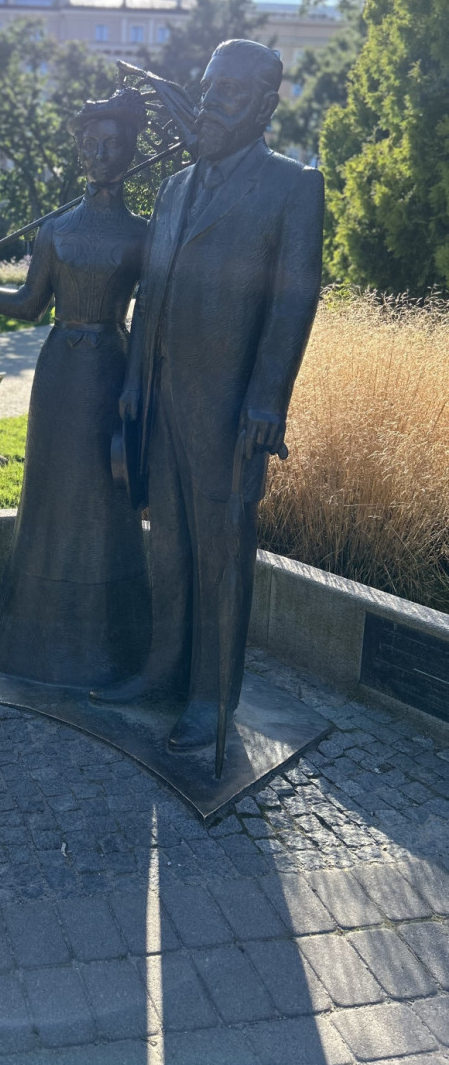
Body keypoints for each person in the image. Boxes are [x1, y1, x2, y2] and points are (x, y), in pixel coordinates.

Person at [92, 41, 324, 750]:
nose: (210, 102)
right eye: (208, 87)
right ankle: (163, 669)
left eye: (229, 91)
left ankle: (211, 698)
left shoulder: (292, 186)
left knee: (220, 553)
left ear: (264, 104)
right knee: (167, 546)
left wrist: (267, 401)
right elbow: (153, 292)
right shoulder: (173, 188)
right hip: (160, 399)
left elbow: (294, 300)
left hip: (227, 409)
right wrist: (134, 383)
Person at [0, 89, 153, 688]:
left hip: (112, 371)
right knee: (51, 495)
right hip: (60, 375)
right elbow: (31, 303)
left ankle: (108, 638)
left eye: (113, 145)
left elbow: (152, 318)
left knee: (104, 497)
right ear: (79, 152)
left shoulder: (145, 234)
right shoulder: (55, 230)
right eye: (91, 145)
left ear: (130, 152)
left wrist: (137, 384)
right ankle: (33, 632)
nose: (101, 155)